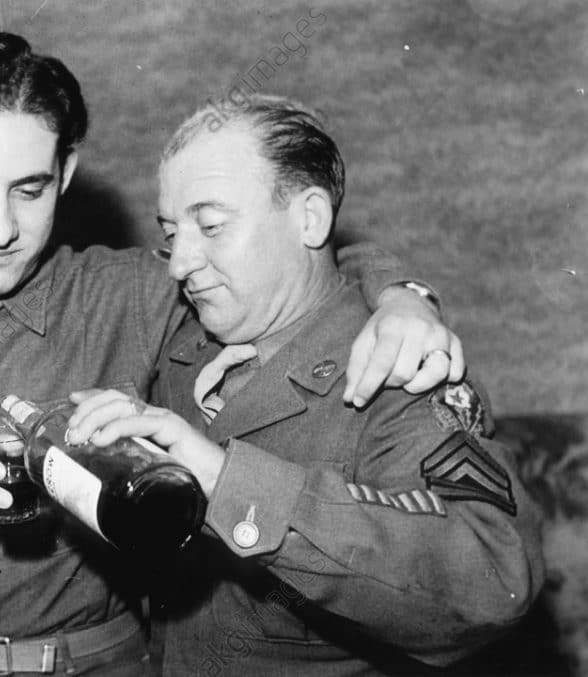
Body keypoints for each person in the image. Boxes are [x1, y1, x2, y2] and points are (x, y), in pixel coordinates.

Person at [0, 24, 464, 677]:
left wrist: (400, 294)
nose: (0, 228)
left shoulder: (133, 294)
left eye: (29, 190)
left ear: (65, 173)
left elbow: (291, 260)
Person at [67, 95, 544, 676]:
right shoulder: (186, 342)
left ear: (310, 219)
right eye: (171, 232)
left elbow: (496, 582)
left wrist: (225, 481)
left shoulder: (399, 372)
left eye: (211, 226)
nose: (179, 264)